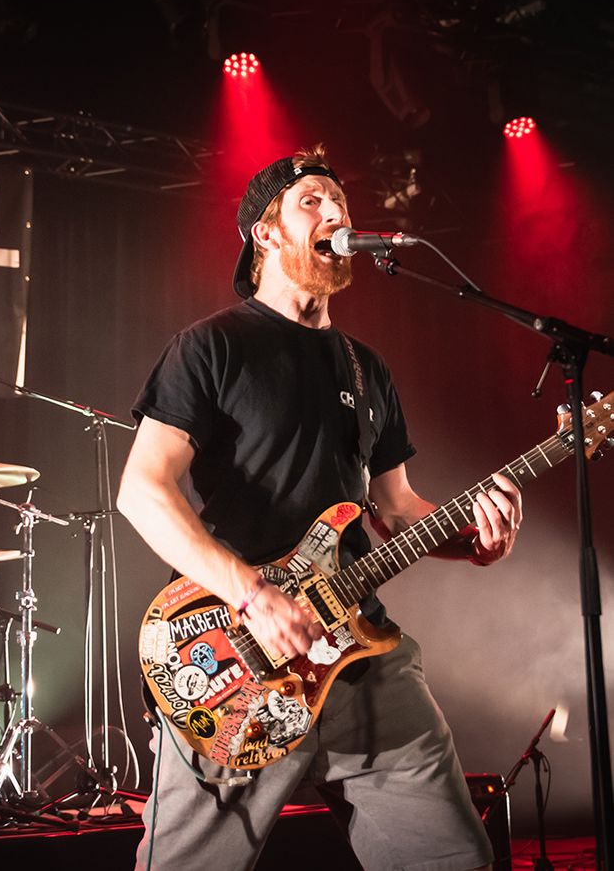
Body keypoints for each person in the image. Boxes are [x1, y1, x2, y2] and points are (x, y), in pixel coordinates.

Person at [117, 147, 523, 870]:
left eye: (341, 201)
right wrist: (253, 594)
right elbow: (142, 490)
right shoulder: (211, 347)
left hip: (362, 657)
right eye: (313, 201)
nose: (336, 212)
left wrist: (470, 539)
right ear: (265, 233)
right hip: (237, 658)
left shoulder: (367, 369)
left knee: (454, 859)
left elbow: (395, 508)